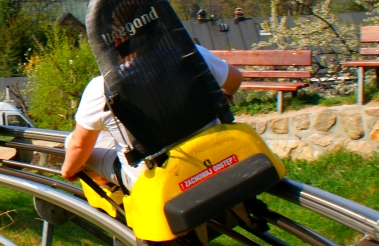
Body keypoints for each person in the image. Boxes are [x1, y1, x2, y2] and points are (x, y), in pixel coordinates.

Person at [60, 45, 243, 189]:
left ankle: (122, 203)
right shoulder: (189, 54)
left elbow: (79, 145)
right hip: (215, 156)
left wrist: (68, 171)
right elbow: (235, 81)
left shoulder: (102, 88)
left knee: (71, 143)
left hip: (158, 180)